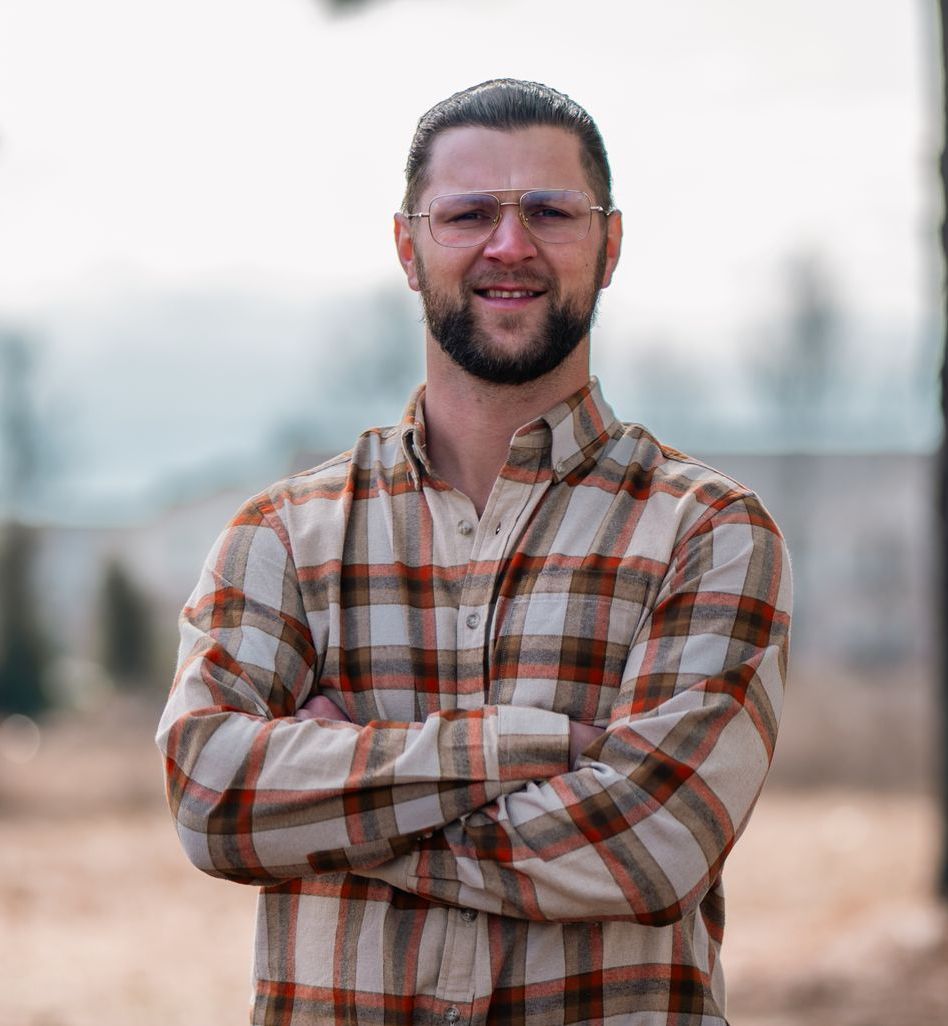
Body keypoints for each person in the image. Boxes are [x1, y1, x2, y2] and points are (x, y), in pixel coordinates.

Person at [156, 78, 791, 1026]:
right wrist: (521, 749)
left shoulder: (708, 532)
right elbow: (211, 797)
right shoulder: (283, 537)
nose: (510, 244)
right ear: (408, 247)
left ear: (609, 245)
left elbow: (654, 847)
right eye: (468, 214)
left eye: (549, 211)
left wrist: (326, 812)